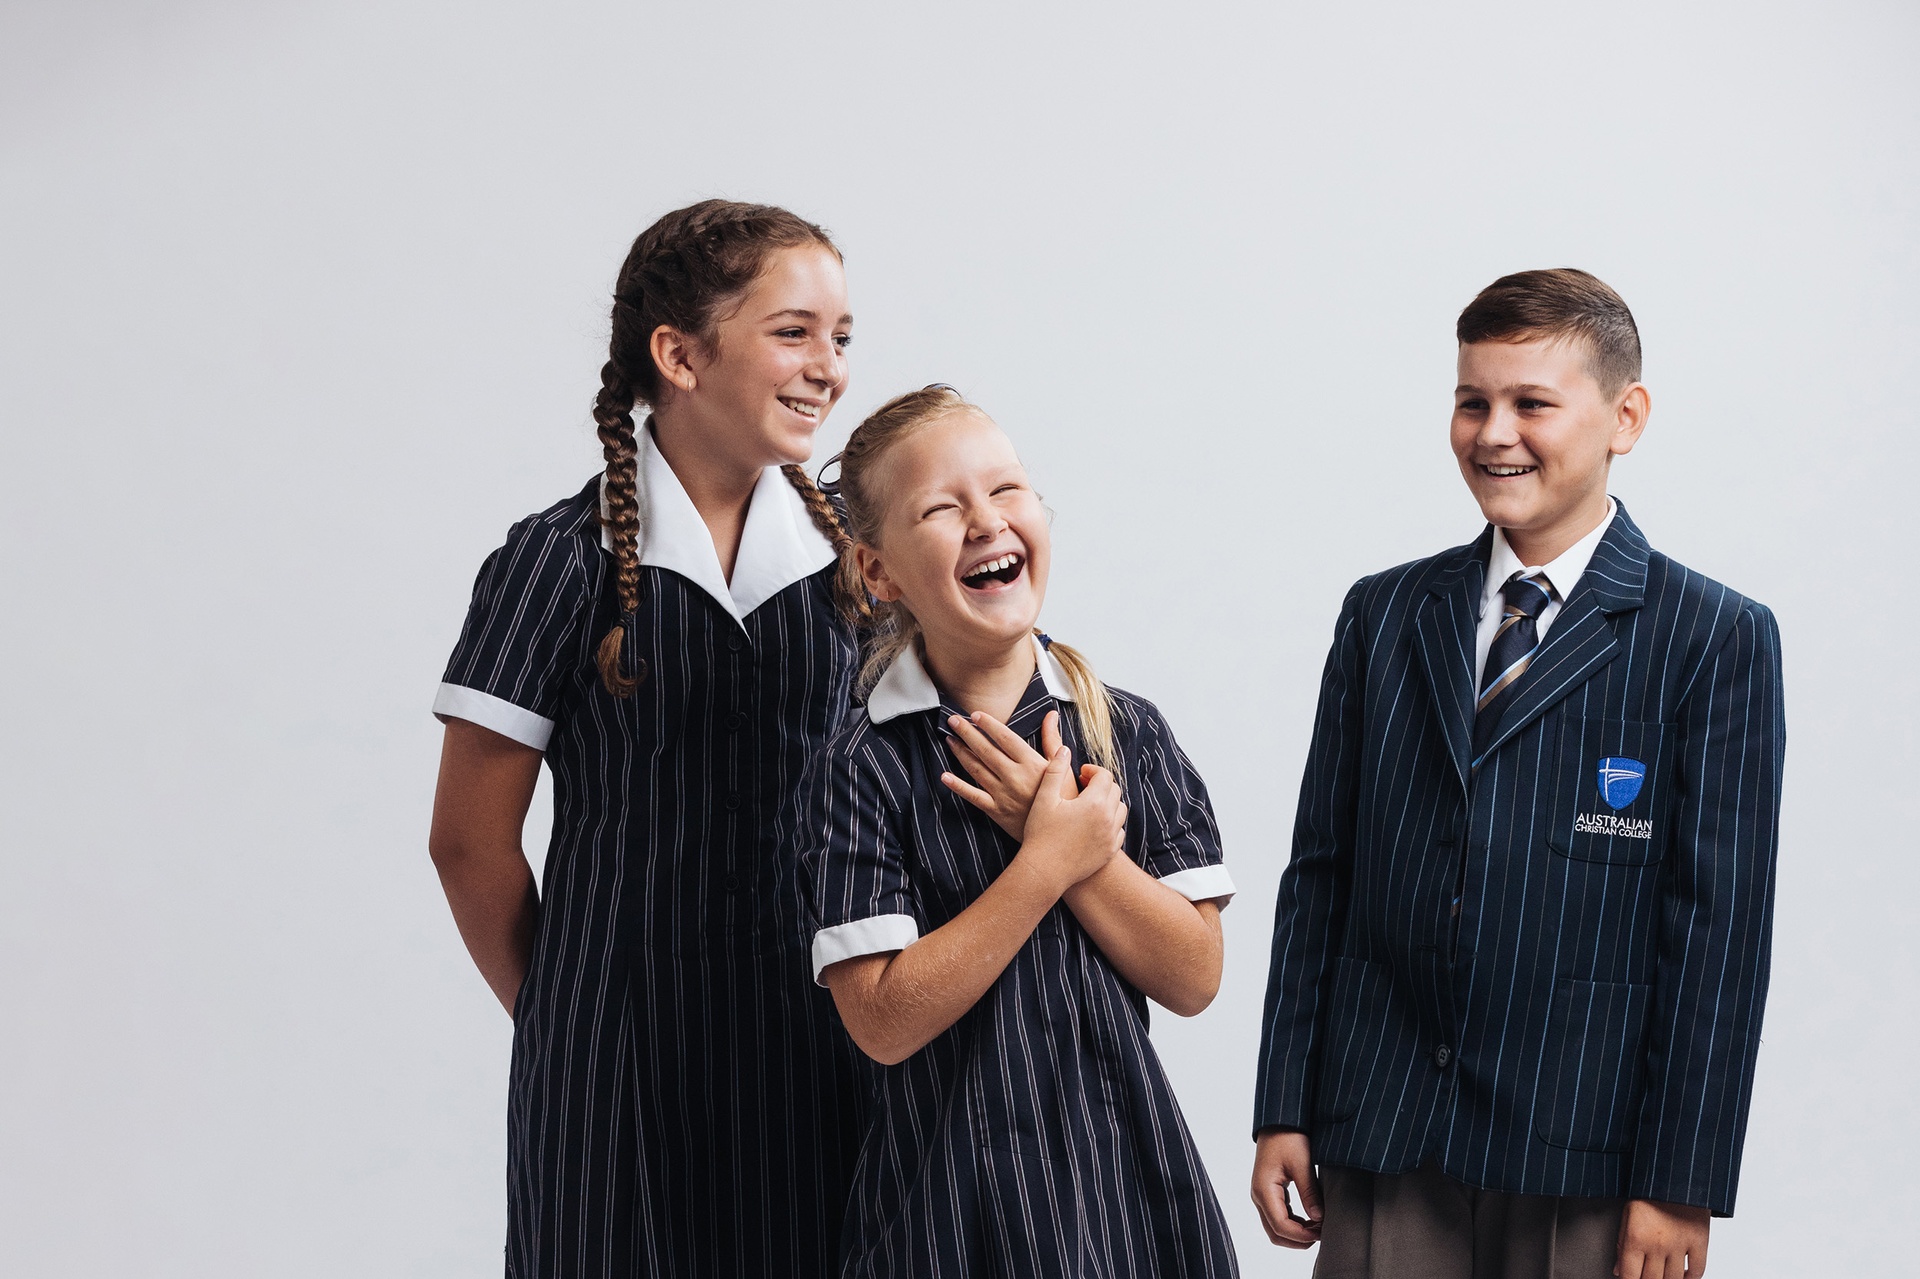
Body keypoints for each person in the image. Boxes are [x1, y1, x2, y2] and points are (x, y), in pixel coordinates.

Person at [1249, 269, 1785, 1279]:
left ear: (1626, 417)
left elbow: (1718, 931)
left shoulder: (1714, 637)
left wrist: (1682, 1179)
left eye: (1532, 403)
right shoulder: (1385, 616)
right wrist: (1286, 1101)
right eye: (1472, 401)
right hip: (1386, 1123)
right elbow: (1320, 874)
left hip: (1583, 1146)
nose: (1495, 433)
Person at [426, 200, 866, 1278]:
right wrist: (572, 1020)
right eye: (793, 331)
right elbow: (468, 842)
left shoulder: (860, 561)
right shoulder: (556, 561)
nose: (829, 368)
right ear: (679, 354)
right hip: (613, 1066)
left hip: (819, 1046)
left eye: (842, 337)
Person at [795, 386, 1241, 1277]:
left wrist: (1088, 860)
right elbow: (881, 1019)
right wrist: (1042, 863)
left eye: (1005, 491)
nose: (985, 521)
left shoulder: (1127, 729)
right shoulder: (860, 766)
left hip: (1130, 1208)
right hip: (945, 1222)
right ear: (878, 572)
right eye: (941, 507)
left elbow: (1194, 976)